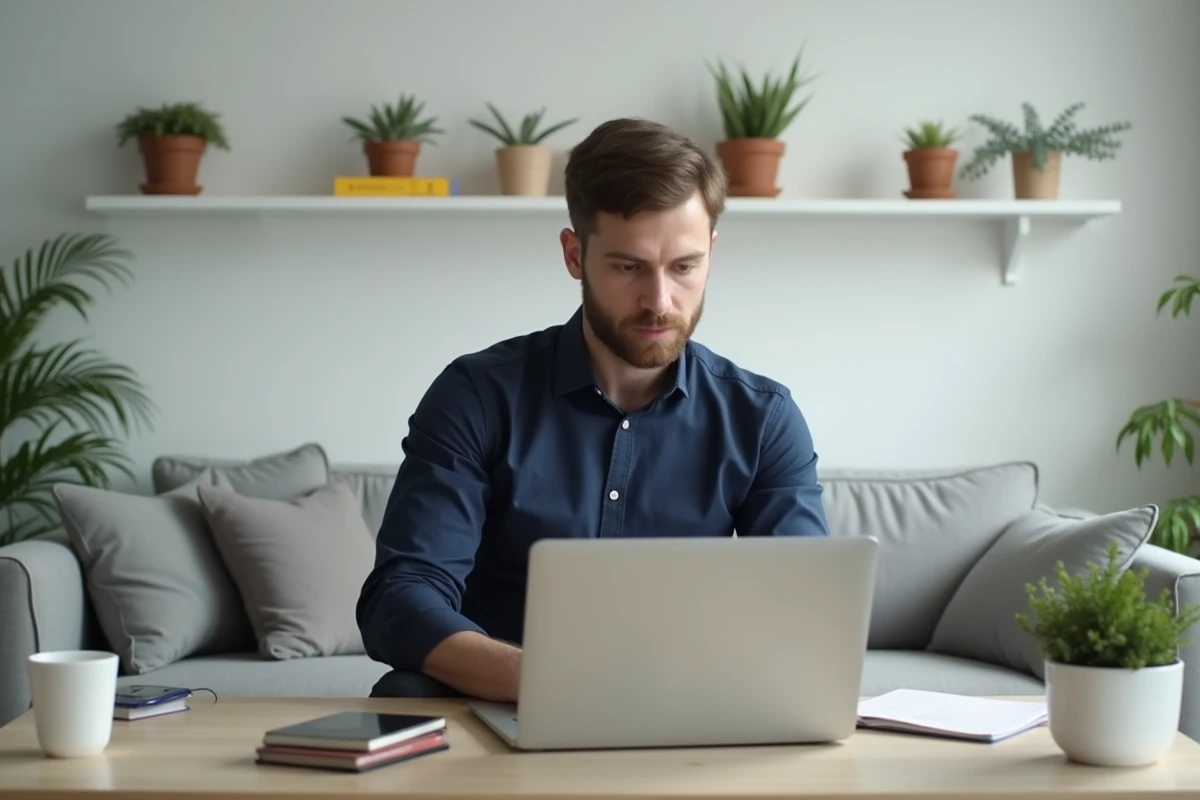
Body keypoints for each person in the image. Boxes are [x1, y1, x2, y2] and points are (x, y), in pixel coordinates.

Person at [356, 117, 830, 703]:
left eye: (684, 267)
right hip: (505, 697)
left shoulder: (763, 419)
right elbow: (400, 598)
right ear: (575, 254)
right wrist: (556, 684)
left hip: (684, 704)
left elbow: (801, 615)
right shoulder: (476, 395)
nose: (660, 301)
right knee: (404, 691)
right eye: (628, 267)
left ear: (711, 250)